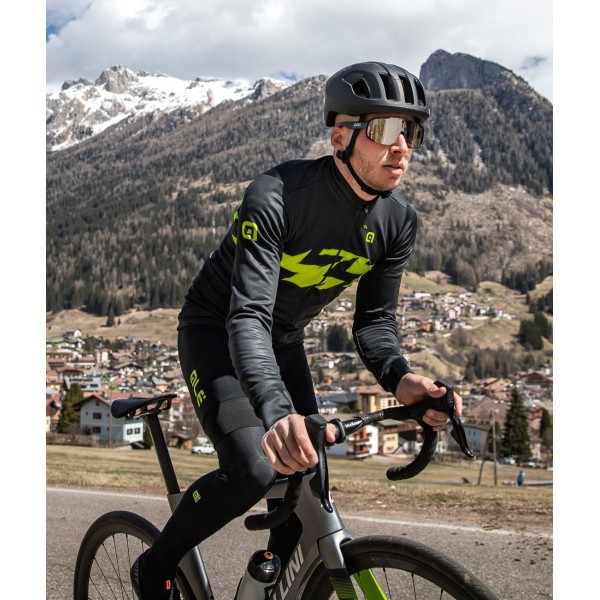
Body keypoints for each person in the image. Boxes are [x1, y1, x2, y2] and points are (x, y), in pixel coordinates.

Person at [130, 60, 463, 599]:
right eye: (384, 129)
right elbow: (247, 316)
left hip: (282, 340)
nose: (402, 147)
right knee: (254, 468)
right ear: (340, 137)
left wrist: (402, 379)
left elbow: (374, 323)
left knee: (307, 480)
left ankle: (263, 586)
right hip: (217, 330)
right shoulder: (277, 193)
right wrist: (276, 413)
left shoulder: (398, 221)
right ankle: (156, 565)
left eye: (412, 132)